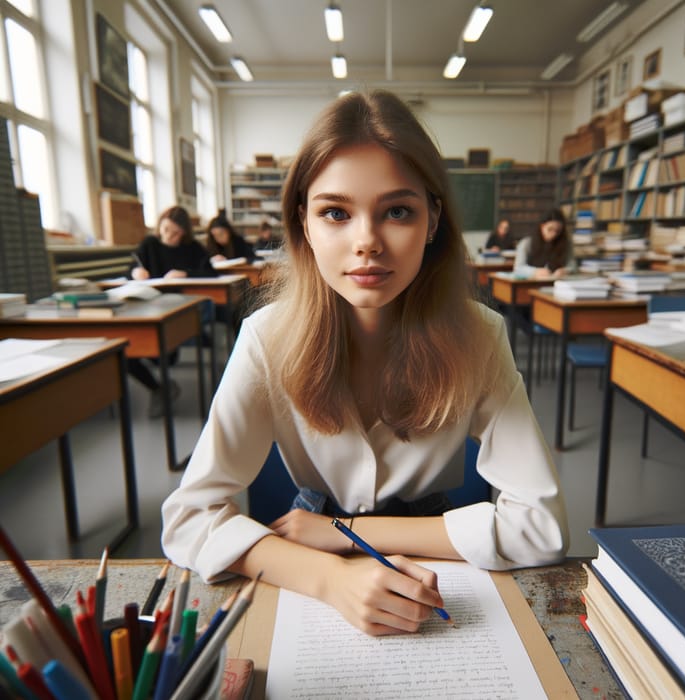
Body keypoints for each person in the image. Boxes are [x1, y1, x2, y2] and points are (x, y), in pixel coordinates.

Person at [162, 90, 568, 637]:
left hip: (437, 576)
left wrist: (347, 530)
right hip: (306, 572)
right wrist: (330, 578)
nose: (367, 243)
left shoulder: (480, 335)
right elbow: (189, 519)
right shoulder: (266, 338)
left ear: (432, 221)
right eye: (335, 212)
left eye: (397, 211)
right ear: (303, 223)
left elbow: (542, 527)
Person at [129, 205, 214, 418]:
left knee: (165, 353)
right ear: (160, 226)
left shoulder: (192, 248)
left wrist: (186, 273)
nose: (169, 236)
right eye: (166, 229)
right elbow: (130, 269)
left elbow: (210, 272)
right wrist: (135, 271)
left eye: (175, 232)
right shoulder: (149, 244)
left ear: (184, 232)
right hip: (146, 305)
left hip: (177, 308)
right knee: (126, 350)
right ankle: (157, 388)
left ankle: (170, 357)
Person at [513, 208, 576, 279]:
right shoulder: (526, 243)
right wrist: (535, 271)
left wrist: (565, 270)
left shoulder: (565, 243)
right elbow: (518, 268)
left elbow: (572, 265)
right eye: (550, 229)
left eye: (558, 231)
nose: (554, 234)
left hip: (557, 283)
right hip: (531, 283)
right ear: (542, 226)